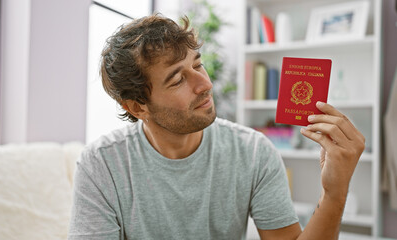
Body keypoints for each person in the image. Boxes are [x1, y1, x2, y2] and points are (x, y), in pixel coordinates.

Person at [68, 14, 365, 240]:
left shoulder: (253, 151)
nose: (205, 84)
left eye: (197, 65)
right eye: (177, 79)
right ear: (136, 107)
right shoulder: (101, 165)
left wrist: (334, 192)